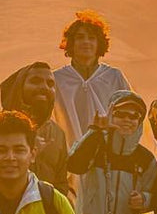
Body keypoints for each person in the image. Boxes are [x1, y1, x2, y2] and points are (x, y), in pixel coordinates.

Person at [0, 61, 71, 192]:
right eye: (35, 81)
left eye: (50, 84)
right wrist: (20, 157)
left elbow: (61, 183)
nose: (44, 87)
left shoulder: (57, 133)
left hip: (40, 210)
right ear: (20, 87)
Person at [53, 12, 132, 148]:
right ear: (71, 43)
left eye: (91, 38)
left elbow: (130, 114)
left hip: (107, 150)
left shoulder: (114, 76)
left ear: (99, 43)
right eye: (80, 37)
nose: (86, 42)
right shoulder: (57, 79)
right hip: (67, 151)